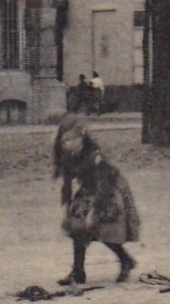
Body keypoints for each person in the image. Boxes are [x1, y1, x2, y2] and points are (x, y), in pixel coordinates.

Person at [53, 117, 139, 285]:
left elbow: (104, 184)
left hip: (109, 189)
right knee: (77, 226)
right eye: (64, 141)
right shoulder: (67, 156)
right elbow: (68, 181)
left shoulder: (94, 156)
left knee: (104, 229)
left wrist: (94, 211)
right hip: (89, 189)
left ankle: (126, 260)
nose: (67, 144)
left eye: (71, 140)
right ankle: (78, 272)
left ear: (82, 138)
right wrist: (68, 203)